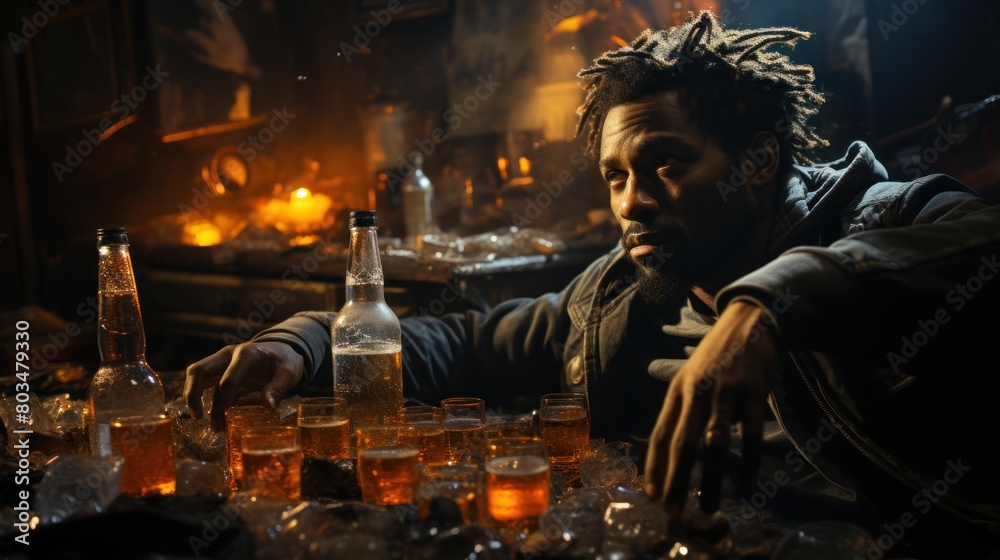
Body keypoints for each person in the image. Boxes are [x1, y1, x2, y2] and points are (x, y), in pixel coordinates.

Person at [184, 11, 1000, 555]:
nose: (632, 203)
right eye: (615, 176)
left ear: (758, 163)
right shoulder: (624, 291)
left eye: (667, 165)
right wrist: (305, 340)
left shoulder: (882, 221)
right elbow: (468, 343)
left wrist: (766, 311)